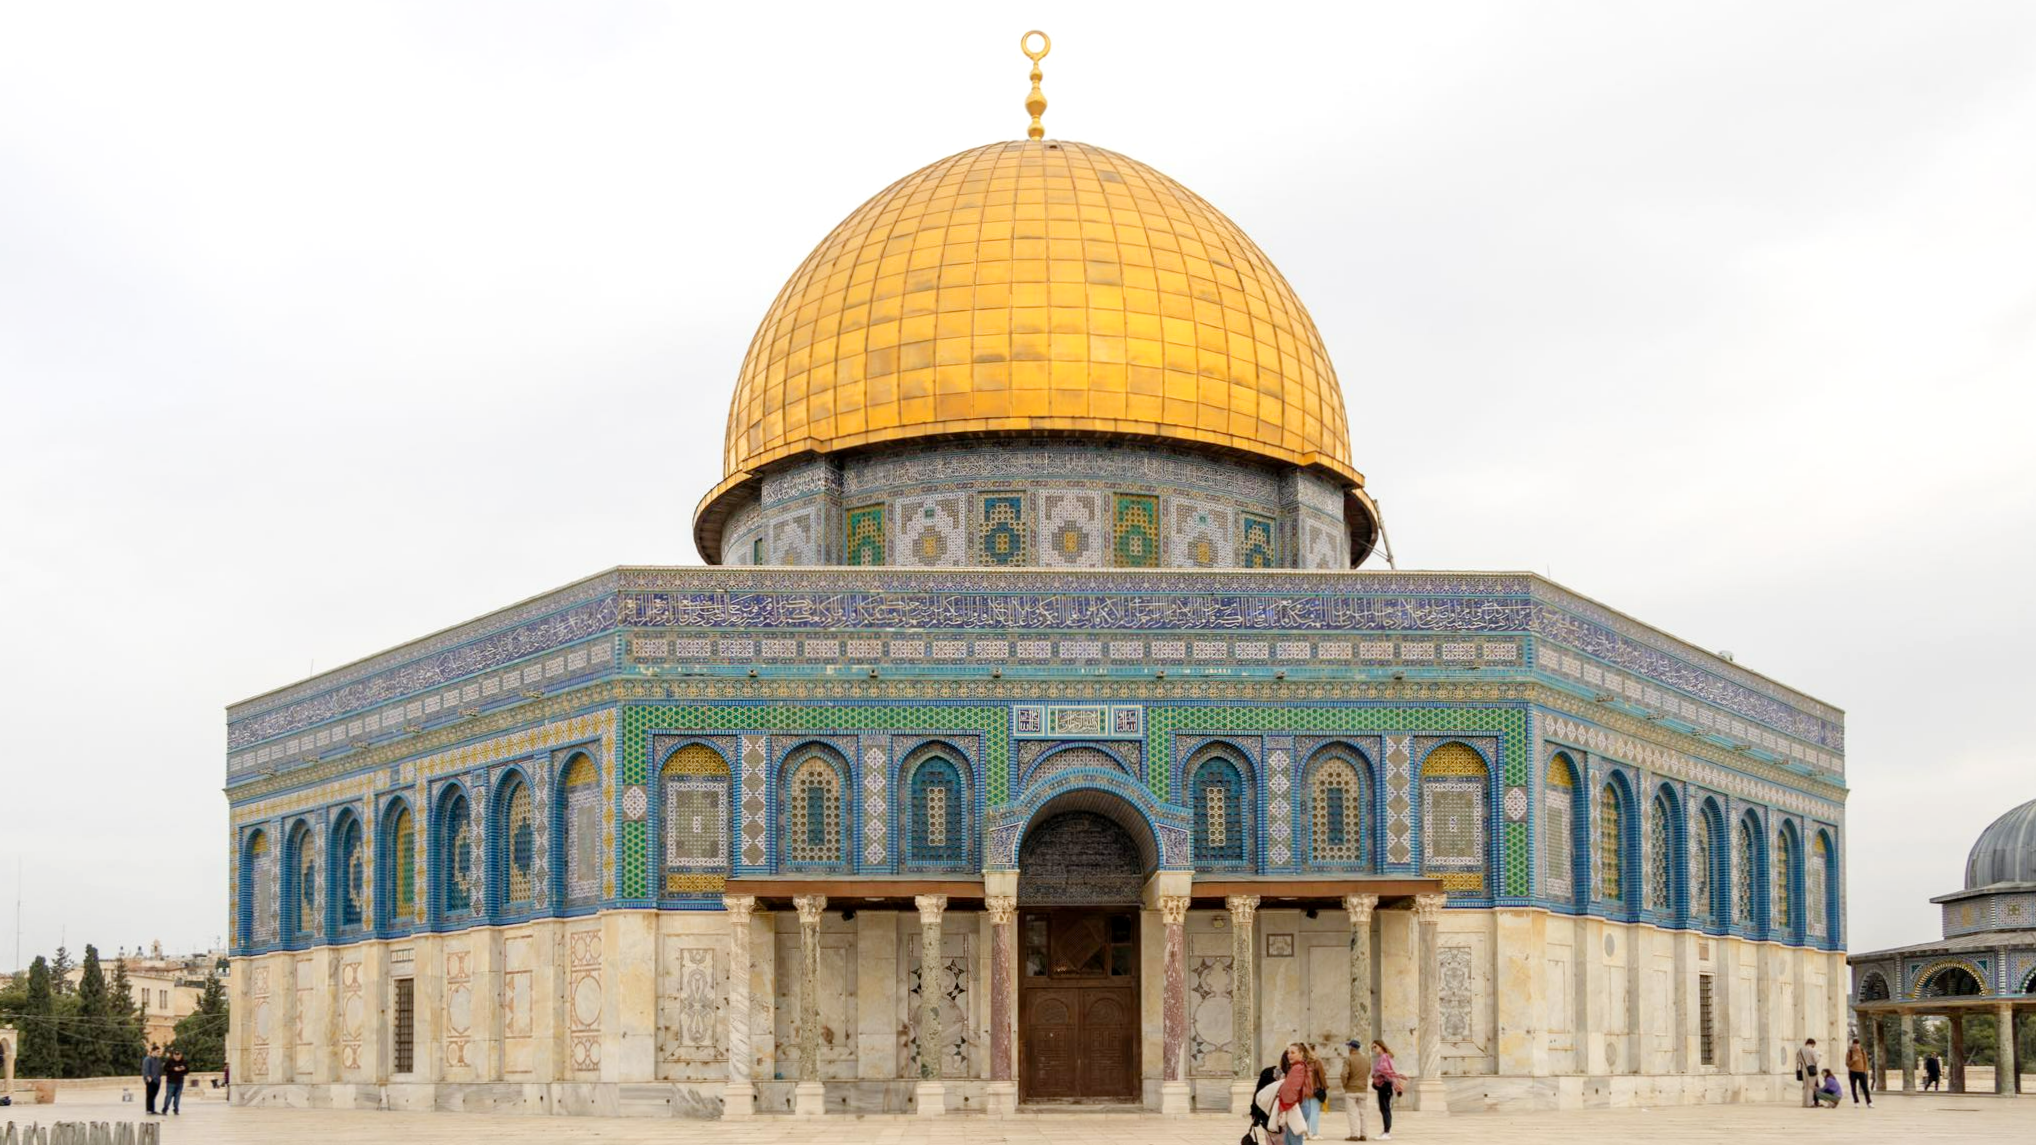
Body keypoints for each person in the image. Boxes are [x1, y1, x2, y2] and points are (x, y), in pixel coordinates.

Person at [1276, 1043, 1311, 1145]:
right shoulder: (1299, 1066)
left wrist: (1283, 1106)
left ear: (1301, 1054)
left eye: (1293, 1053)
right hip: (1298, 1105)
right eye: (1288, 1053)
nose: (1289, 1055)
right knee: (1289, 1139)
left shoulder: (1297, 1068)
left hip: (1295, 1107)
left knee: (1294, 1140)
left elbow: (1290, 1090)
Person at [1370, 1040, 1404, 1141]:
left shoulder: (1384, 1057)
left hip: (1385, 1085)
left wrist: (1375, 1073)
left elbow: (1385, 1071)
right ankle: (1386, 1131)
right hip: (1383, 1086)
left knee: (1385, 1109)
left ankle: (1387, 1132)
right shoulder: (1384, 1057)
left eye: (1375, 1047)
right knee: (1384, 1108)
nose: (1374, 1049)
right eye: (1373, 1048)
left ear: (1381, 1046)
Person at [1340, 1039, 1372, 1141]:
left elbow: (1344, 1074)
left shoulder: (1348, 1059)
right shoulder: (1366, 1059)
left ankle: (1354, 1135)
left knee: (1352, 1113)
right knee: (1363, 1113)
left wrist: (1345, 1085)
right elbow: (1367, 1072)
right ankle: (1364, 1134)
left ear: (1351, 1048)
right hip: (1363, 1090)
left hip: (1351, 1090)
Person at [1298, 1043, 1328, 1138]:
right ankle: (1313, 1133)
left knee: (1304, 1111)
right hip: (1315, 1090)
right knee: (1314, 1112)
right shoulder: (1316, 1062)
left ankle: (1304, 1133)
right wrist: (1325, 1086)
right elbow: (1322, 1076)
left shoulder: (1300, 1062)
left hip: (1303, 1090)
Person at [162, 1049, 190, 1115]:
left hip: (180, 1082)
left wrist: (184, 1069)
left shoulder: (184, 1062)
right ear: (173, 1055)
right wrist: (173, 1069)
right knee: (169, 1096)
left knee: (177, 1097)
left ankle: (176, 1109)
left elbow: (187, 1071)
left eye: (178, 1055)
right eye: (176, 1055)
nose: (177, 1057)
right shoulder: (169, 1061)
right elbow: (165, 1069)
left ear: (181, 1055)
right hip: (171, 1082)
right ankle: (165, 1109)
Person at [1846, 1037, 1872, 1106]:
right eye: (1854, 1045)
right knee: (1853, 1087)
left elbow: (1866, 1062)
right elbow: (1847, 1064)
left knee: (1865, 1087)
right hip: (1852, 1072)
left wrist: (1865, 1070)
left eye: (1857, 1045)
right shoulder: (1850, 1053)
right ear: (1852, 1045)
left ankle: (1869, 1102)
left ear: (1859, 1045)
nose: (1856, 1046)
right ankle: (1856, 1101)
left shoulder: (1863, 1052)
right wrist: (1853, 1060)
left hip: (1861, 1072)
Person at [1795, 1038, 1820, 1108]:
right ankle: (1809, 1103)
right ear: (1813, 1043)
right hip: (1811, 1069)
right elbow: (1817, 1060)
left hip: (1804, 1069)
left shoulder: (1800, 1050)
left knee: (1805, 1087)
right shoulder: (1812, 1050)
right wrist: (1819, 1056)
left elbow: (1798, 1060)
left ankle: (1804, 1103)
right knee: (1811, 1087)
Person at [141, 1045, 163, 1116]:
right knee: (149, 1095)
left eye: (159, 1052)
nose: (158, 1053)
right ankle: (149, 1110)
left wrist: (159, 1077)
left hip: (157, 1080)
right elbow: (145, 1069)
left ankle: (152, 1109)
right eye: (157, 1051)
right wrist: (147, 1077)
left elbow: (159, 1069)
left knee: (153, 1095)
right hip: (151, 1080)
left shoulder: (158, 1060)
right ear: (153, 1051)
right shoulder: (148, 1059)